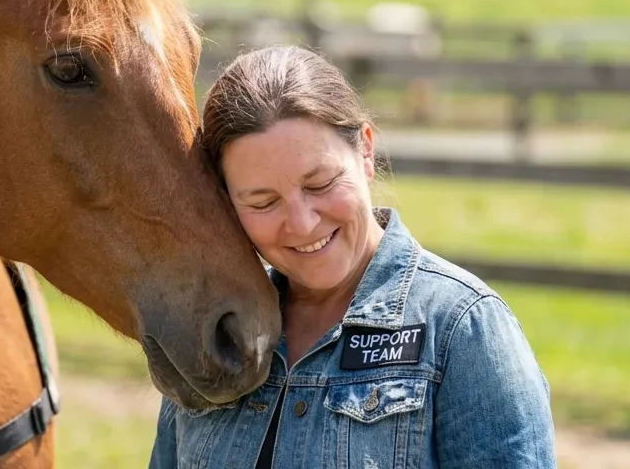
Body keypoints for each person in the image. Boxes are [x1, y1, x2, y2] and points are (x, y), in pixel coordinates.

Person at [149, 46, 556, 468]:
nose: (303, 224)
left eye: (320, 183)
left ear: (365, 151)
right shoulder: (211, 331)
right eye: (263, 202)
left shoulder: (461, 329)